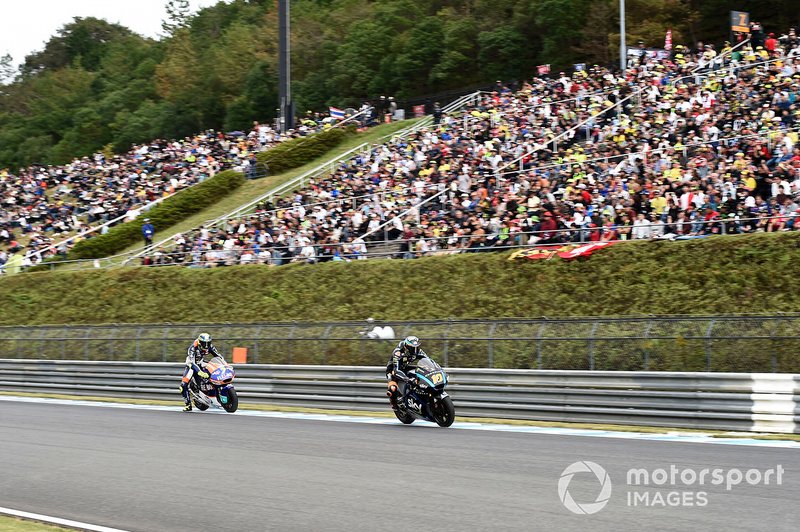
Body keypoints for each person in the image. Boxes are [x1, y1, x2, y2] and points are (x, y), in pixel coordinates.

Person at [179, 332, 222, 412]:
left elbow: (218, 356)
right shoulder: (192, 348)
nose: (206, 346)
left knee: (214, 371)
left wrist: (224, 365)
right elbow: (192, 363)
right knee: (183, 386)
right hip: (191, 365)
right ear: (199, 342)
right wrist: (199, 372)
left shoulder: (210, 346)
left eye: (208, 343)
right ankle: (188, 405)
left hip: (201, 362)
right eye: (203, 343)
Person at [385, 336, 427, 406]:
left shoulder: (418, 350)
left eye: (416, 347)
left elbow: (427, 359)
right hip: (393, 369)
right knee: (392, 388)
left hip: (405, 367)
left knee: (419, 373)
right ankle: (394, 403)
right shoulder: (398, 352)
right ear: (406, 346)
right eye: (412, 347)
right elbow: (396, 370)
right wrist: (406, 379)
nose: (415, 349)